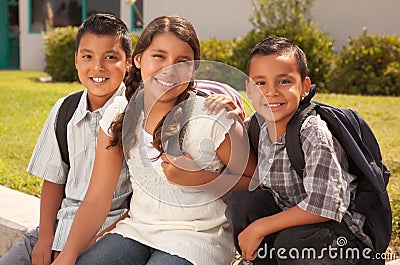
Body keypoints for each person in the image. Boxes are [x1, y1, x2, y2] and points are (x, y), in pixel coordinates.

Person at [51, 15, 257, 265]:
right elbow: (96, 199)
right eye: (159, 56)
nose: (169, 69)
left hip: (197, 237)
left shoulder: (212, 117)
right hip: (137, 230)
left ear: (193, 68)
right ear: (138, 59)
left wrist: (199, 178)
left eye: (183, 61)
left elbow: (258, 183)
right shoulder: (120, 113)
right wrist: (68, 255)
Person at [224, 37, 372, 264]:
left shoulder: (313, 131)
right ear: (249, 89)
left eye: (283, 81)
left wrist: (260, 227)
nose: (270, 92)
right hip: (289, 227)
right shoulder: (257, 125)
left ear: (304, 87)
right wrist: (227, 120)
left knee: (293, 240)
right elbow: (235, 161)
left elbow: (325, 205)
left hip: (335, 237)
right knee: (242, 203)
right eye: (260, 83)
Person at [0, 13, 133, 265]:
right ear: (76, 60)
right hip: (60, 226)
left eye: (111, 57)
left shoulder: (135, 115)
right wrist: (46, 236)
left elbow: (138, 205)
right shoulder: (65, 110)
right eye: (87, 56)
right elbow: (53, 179)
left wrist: (80, 246)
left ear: (128, 62)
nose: (98, 67)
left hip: (111, 233)